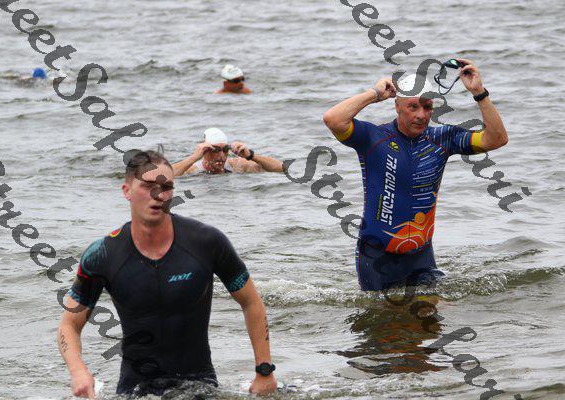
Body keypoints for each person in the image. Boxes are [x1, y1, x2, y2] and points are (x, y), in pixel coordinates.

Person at [57, 150, 277, 397]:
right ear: (127, 191)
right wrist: (78, 372)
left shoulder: (206, 241)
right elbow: (69, 324)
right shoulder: (104, 254)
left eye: (166, 187)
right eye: (147, 185)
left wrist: (264, 371)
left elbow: (251, 302)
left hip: (200, 387)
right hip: (134, 391)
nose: (158, 195)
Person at [323, 59, 508, 291]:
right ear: (397, 106)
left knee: (434, 310)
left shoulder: (443, 139)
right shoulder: (373, 138)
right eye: (413, 107)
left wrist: (479, 93)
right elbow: (333, 119)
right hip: (376, 258)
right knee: (382, 314)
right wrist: (375, 94)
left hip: (421, 258)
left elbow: (497, 139)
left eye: (427, 107)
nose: (421, 115)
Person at [173, 128, 284, 176]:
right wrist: (193, 157)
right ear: (204, 151)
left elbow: (282, 168)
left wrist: (251, 155)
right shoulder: (193, 170)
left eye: (225, 149)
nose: (221, 156)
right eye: (215, 150)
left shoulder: (237, 165)